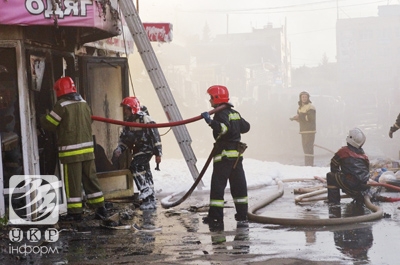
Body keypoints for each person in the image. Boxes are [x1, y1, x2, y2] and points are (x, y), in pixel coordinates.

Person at [40, 76, 106, 221]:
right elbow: (90, 119)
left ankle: (75, 213)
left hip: (71, 153)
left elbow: (50, 124)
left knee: (73, 183)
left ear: (59, 90)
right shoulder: (83, 103)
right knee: (91, 179)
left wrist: (41, 117)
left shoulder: (61, 105)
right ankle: (101, 209)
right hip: (88, 151)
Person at [200, 85, 250, 231]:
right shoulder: (234, 113)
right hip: (236, 157)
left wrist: (210, 121)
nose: (209, 100)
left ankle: (215, 217)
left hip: (224, 156)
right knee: (238, 186)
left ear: (216, 98)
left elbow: (223, 129)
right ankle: (242, 215)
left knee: (218, 187)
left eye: (211, 97)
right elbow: (246, 127)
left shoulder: (220, 114)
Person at [112, 96, 162, 210]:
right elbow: (125, 140)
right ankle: (150, 200)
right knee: (146, 172)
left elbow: (156, 137)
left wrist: (158, 153)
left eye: (126, 108)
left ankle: (146, 190)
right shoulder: (128, 123)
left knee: (135, 166)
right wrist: (120, 149)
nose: (124, 111)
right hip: (138, 150)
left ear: (133, 108)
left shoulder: (145, 119)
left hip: (147, 149)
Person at [326, 127, 370, 205]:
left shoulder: (343, 152)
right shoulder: (364, 156)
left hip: (350, 183)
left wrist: (339, 177)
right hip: (363, 186)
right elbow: (367, 170)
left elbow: (333, 165)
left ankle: (333, 202)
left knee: (330, 176)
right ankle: (358, 198)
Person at [290, 91, 316, 166]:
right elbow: (302, 120)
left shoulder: (311, 107)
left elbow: (311, 118)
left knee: (309, 148)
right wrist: (296, 119)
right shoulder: (300, 108)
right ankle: (307, 164)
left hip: (310, 131)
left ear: (308, 98)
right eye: (302, 97)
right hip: (303, 131)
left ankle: (310, 164)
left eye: (305, 97)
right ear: (300, 98)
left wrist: (300, 117)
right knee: (305, 148)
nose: (304, 98)